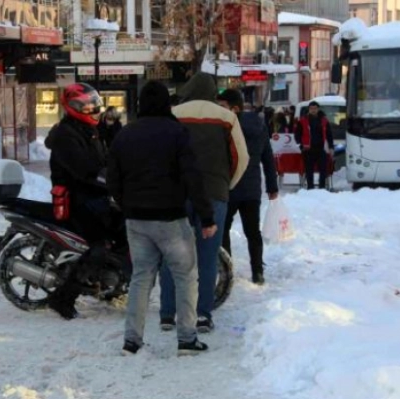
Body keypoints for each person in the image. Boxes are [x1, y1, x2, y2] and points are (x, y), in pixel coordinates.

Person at [108, 80, 216, 356]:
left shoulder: (125, 135)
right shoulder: (177, 132)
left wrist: (127, 205)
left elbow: (113, 180)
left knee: (141, 278)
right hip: (171, 219)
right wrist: (206, 216)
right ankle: (187, 338)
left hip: (136, 220)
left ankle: (132, 341)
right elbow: (193, 176)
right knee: (185, 276)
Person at [159, 72, 249, 333]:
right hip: (214, 195)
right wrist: (226, 184)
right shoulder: (227, 118)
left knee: (171, 254)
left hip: (177, 195)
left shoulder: (173, 114)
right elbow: (240, 157)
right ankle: (202, 315)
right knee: (208, 256)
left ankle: (168, 312)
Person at [43, 82, 112, 320]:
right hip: (78, 199)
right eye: (87, 106)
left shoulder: (88, 130)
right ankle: (63, 297)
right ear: (73, 108)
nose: (93, 110)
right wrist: (109, 181)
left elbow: (105, 161)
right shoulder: (66, 135)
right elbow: (85, 171)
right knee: (100, 245)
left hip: (94, 194)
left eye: (95, 104)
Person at [217, 89, 278, 285]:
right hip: (252, 190)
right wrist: (271, 185)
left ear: (234, 108)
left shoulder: (226, 127)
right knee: (253, 232)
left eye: (223, 106)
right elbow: (268, 157)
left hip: (230, 187)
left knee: (223, 229)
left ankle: (227, 271)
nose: (220, 110)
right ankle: (257, 271)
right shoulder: (259, 125)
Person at [295, 100, 334, 190]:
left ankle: (322, 188)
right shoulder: (302, 121)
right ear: (309, 109)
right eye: (311, 108)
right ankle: (310, 188)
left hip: (321, 149)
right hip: (308, 149)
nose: (313, 110)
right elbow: (297, 135)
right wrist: (300, 146)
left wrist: (331, 147)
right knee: (309, 170)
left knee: (323, 169)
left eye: (315, 108)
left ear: (318, 109)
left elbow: (329, 134)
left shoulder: (324, 120)